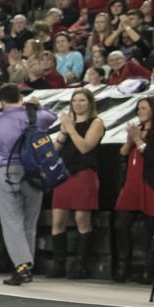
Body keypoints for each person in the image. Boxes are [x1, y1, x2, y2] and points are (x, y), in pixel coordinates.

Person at [0, 86, 58, 285]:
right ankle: (27, 266)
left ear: (1, 101)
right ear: (20, 98)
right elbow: (52, 116)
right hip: (34, 174)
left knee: (12, 222)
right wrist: (36, 106)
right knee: (29, 223)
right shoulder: (36, 117)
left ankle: (21, 266)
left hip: (7, 171)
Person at [113, 95, 154, 284]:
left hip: (152, 184)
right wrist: (132, 139)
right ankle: (124, 267)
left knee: (152, 228)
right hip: (132, 184)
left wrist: (138, 140)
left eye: (144, 108)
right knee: (121, 225)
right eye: (138, 108)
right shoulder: (137, 131)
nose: (139, 111)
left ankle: (152, 270)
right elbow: (123, 152)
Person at [48, 87, 105, 279]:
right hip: (64, 174)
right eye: (74, 101)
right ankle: (59, 264)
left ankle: (81, 265)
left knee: (82, 220)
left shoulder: (96, 123)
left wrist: (71, 129)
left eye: (81, 100)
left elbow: (85, 147)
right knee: (58, 221)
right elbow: (54, 150)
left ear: (89, 103)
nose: (77, 104)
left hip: (84, 174)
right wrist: (63, 132)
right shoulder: (68, 123)